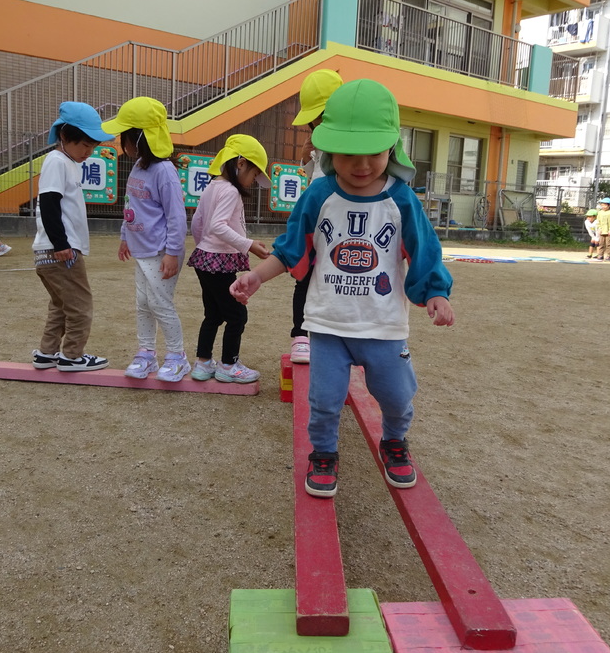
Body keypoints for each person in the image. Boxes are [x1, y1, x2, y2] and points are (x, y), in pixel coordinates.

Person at [230, 79, 454, 498]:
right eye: (349, 153)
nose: (362, 164)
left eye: (374, 152)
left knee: (396, 394)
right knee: (324, 399)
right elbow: (292, 248)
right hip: (328, 324)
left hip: (383, 326)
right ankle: (324, 453)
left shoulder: (402, 200)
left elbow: (425, 250)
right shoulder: (319, 195)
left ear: (393, 147)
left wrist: (436, 292)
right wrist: (257, 276)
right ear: (329, 149)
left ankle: (394, 441)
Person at [101, 97, 191, 382]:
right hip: (141, 249)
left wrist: (172, 252)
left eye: (124, 136)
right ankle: (147, 353)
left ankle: (177, 356)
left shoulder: (164, 171)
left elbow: (177, 216)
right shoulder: (140, 165)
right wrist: (124, 236)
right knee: (143, 302)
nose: (120, 142)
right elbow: (131, 205)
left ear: (140, 137)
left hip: (162, 250)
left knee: (160, 303)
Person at [31, 101, 114, 372]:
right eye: (85, 145)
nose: (89, 152)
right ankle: (72, 356)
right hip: (60, 250)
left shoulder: (66, 162)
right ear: (65, 136)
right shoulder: (57, 161)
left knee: (60, 305)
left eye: (93, 147)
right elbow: (49, 204)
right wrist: (61, 244)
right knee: (80, 305)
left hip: (50, 249)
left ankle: (47, 353)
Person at [186, 134, 270, 384]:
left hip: (205, 260)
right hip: (219, 262)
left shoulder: (212, 186)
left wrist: (204, 247)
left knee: (213, 314)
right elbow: (217, 226)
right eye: (254, 174)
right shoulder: (231, 191)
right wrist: (248, 245)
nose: (253, 181)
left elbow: (198, 222)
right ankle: (228, 365)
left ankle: (203, 363)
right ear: (241, 163)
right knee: (237, 316)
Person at [288, 69, 343, 365]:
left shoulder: (350, 140)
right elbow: (314, 178)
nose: (318, 123)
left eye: (322, 115)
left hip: (342, 224)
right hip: (315, 223)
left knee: (338, 281)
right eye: (315, 118)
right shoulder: (316, 141)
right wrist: (305, 157)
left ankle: (335, 340)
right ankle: (300, 336)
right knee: (304, 278)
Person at [595, 197, 610, 261]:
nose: (603, 206)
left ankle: (608, 255)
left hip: (609, 231)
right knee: (601, 244)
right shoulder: (600, 212)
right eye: (602, 205)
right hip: (602, 231)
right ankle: (600, 255)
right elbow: (598, 221)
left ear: (609, 205)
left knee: (608, 244)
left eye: (605, 205)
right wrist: (599, 228)